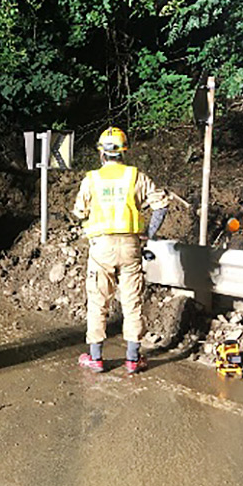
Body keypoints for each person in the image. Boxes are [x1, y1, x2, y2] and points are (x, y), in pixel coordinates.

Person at [72, 127, 169, 375]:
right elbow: (161, 204)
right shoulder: (136, 176)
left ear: (102, 153)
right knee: (132, 302)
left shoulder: (91, 179)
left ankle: (95, 359)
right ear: (124, 151)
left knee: (97, 301)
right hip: (130, 246)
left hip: (101, 248)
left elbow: (79, 213)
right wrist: (150, 233)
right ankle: (133, 360)